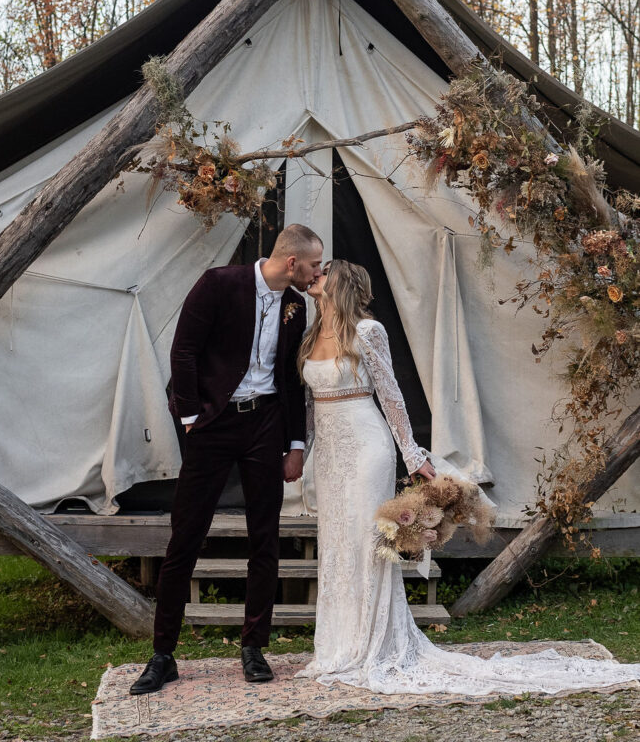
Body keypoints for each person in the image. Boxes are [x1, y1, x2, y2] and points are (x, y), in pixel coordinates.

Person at [296, 259, 640, 696]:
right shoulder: (310, 335)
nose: (314, 276)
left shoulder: (368, 332)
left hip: (367, 450)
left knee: (367, 545)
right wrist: (300, 452)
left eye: (323, 271)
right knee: (337, 545)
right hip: (331, 456)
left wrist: (413, 456)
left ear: (340, 282)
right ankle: (335, 647)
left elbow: (392, 398)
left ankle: (371, 645)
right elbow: (310, 407)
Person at [130, 224, 323, 695]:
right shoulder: (219, 283)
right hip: (214, 425)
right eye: (315, 264)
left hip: (266, 426)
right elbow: (185, 351)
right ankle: (162, 656)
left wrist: (295, 445)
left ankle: (254, 648)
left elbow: (293, 379)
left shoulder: (297, 307)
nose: (320, 271)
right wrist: (193, 419)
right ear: (292, 262)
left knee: (265, 539)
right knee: (185, 538)